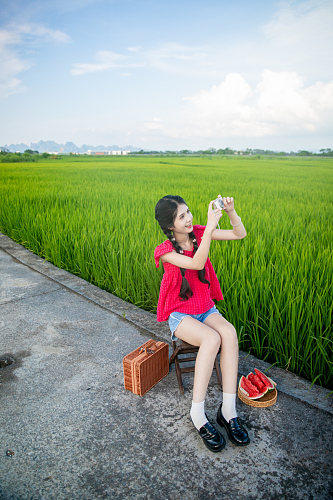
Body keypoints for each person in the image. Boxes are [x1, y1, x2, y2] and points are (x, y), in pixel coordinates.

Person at [154, 194, 250, 452]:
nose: (189, 219)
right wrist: (209, 228)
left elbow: (239, 234)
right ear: (170, 225)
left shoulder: (199, 232)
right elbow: (196, 263)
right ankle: (198, 414)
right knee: (211, 339)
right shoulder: (164, 252)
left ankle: (228, 412)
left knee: (228, 333)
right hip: (180, 314)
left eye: (188, 212)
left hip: (205, 307)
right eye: (181, 216)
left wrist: (230, 212)